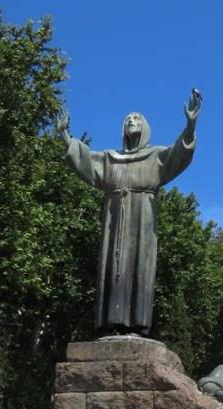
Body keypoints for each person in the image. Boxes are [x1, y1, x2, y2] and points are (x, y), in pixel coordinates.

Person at [55, 90, 202, 335]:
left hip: (144, 217)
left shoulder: (156, 156)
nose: (130, 121)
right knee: (111, 267)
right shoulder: (110, 159)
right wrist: (64, 135)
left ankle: (138, 325)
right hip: (115, 217)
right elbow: (84, 160)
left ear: (145, 128)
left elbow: (180, 153)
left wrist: (191, 123)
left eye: (136, 119)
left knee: (141, 267)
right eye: (127, 119)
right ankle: (109, 324)